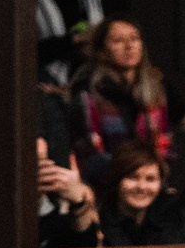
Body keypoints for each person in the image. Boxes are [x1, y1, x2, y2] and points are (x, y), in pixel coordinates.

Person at [69, 16, 170, 185]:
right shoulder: (88, 91)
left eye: (134, 38)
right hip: (106, 184)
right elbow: (88, 150)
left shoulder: (154, 90)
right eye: (118, 40)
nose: (129, 46)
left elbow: (163, 143)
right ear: (102, 50)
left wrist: (155, 178)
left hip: (150, 184)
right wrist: (129, 176)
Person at [97, 140, 183, 247]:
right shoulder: (99, 222)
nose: (141, 187)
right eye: (133, 177)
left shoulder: (173, 217)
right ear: (117, 180)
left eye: (150, 179)